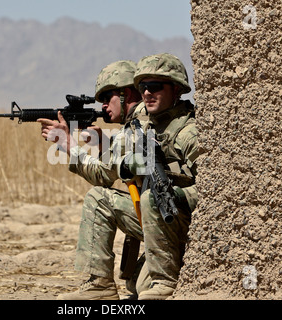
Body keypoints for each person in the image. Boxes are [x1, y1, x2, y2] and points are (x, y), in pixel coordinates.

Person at [37, 60, 147, 300]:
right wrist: (104, 145)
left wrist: (69, 146)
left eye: (108, 98)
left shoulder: (134, 128)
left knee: (98, 199)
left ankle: (99, 288)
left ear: (125, 93)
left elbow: (103, 177)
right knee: (138, 285)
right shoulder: (147, 121)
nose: (104, 106)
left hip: (163, 220)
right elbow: (126, 168)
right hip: (168, 216)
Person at [118, 53, 199, 299]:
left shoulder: (188, 132)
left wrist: (175, 191)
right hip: (153, 212)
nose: (146, 93)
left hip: (182, 216)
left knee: (151, 199)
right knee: (99, 199)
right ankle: (95, 285)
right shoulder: (143, 124)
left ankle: (166, 284)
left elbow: (213, 187)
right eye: (142, 87)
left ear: (176, 90)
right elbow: (115, 167)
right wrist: (130, 163)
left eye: (154, 87)